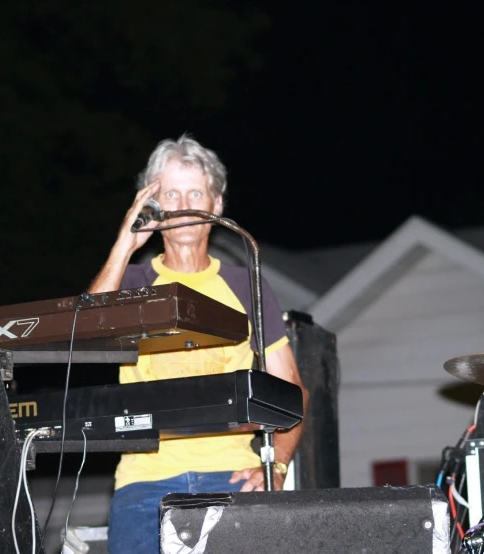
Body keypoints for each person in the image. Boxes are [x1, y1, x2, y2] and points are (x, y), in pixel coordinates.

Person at [88, 134, 309, 554]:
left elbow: (293, 390)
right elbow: (87, 329)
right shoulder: (132, 280)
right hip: (144, 479)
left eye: (195, 192)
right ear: (153, 206)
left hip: (233, 473)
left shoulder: (247, 282)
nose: (185, 203)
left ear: (217, 205)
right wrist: (125, 242)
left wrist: (276, 467)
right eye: (171, 193)